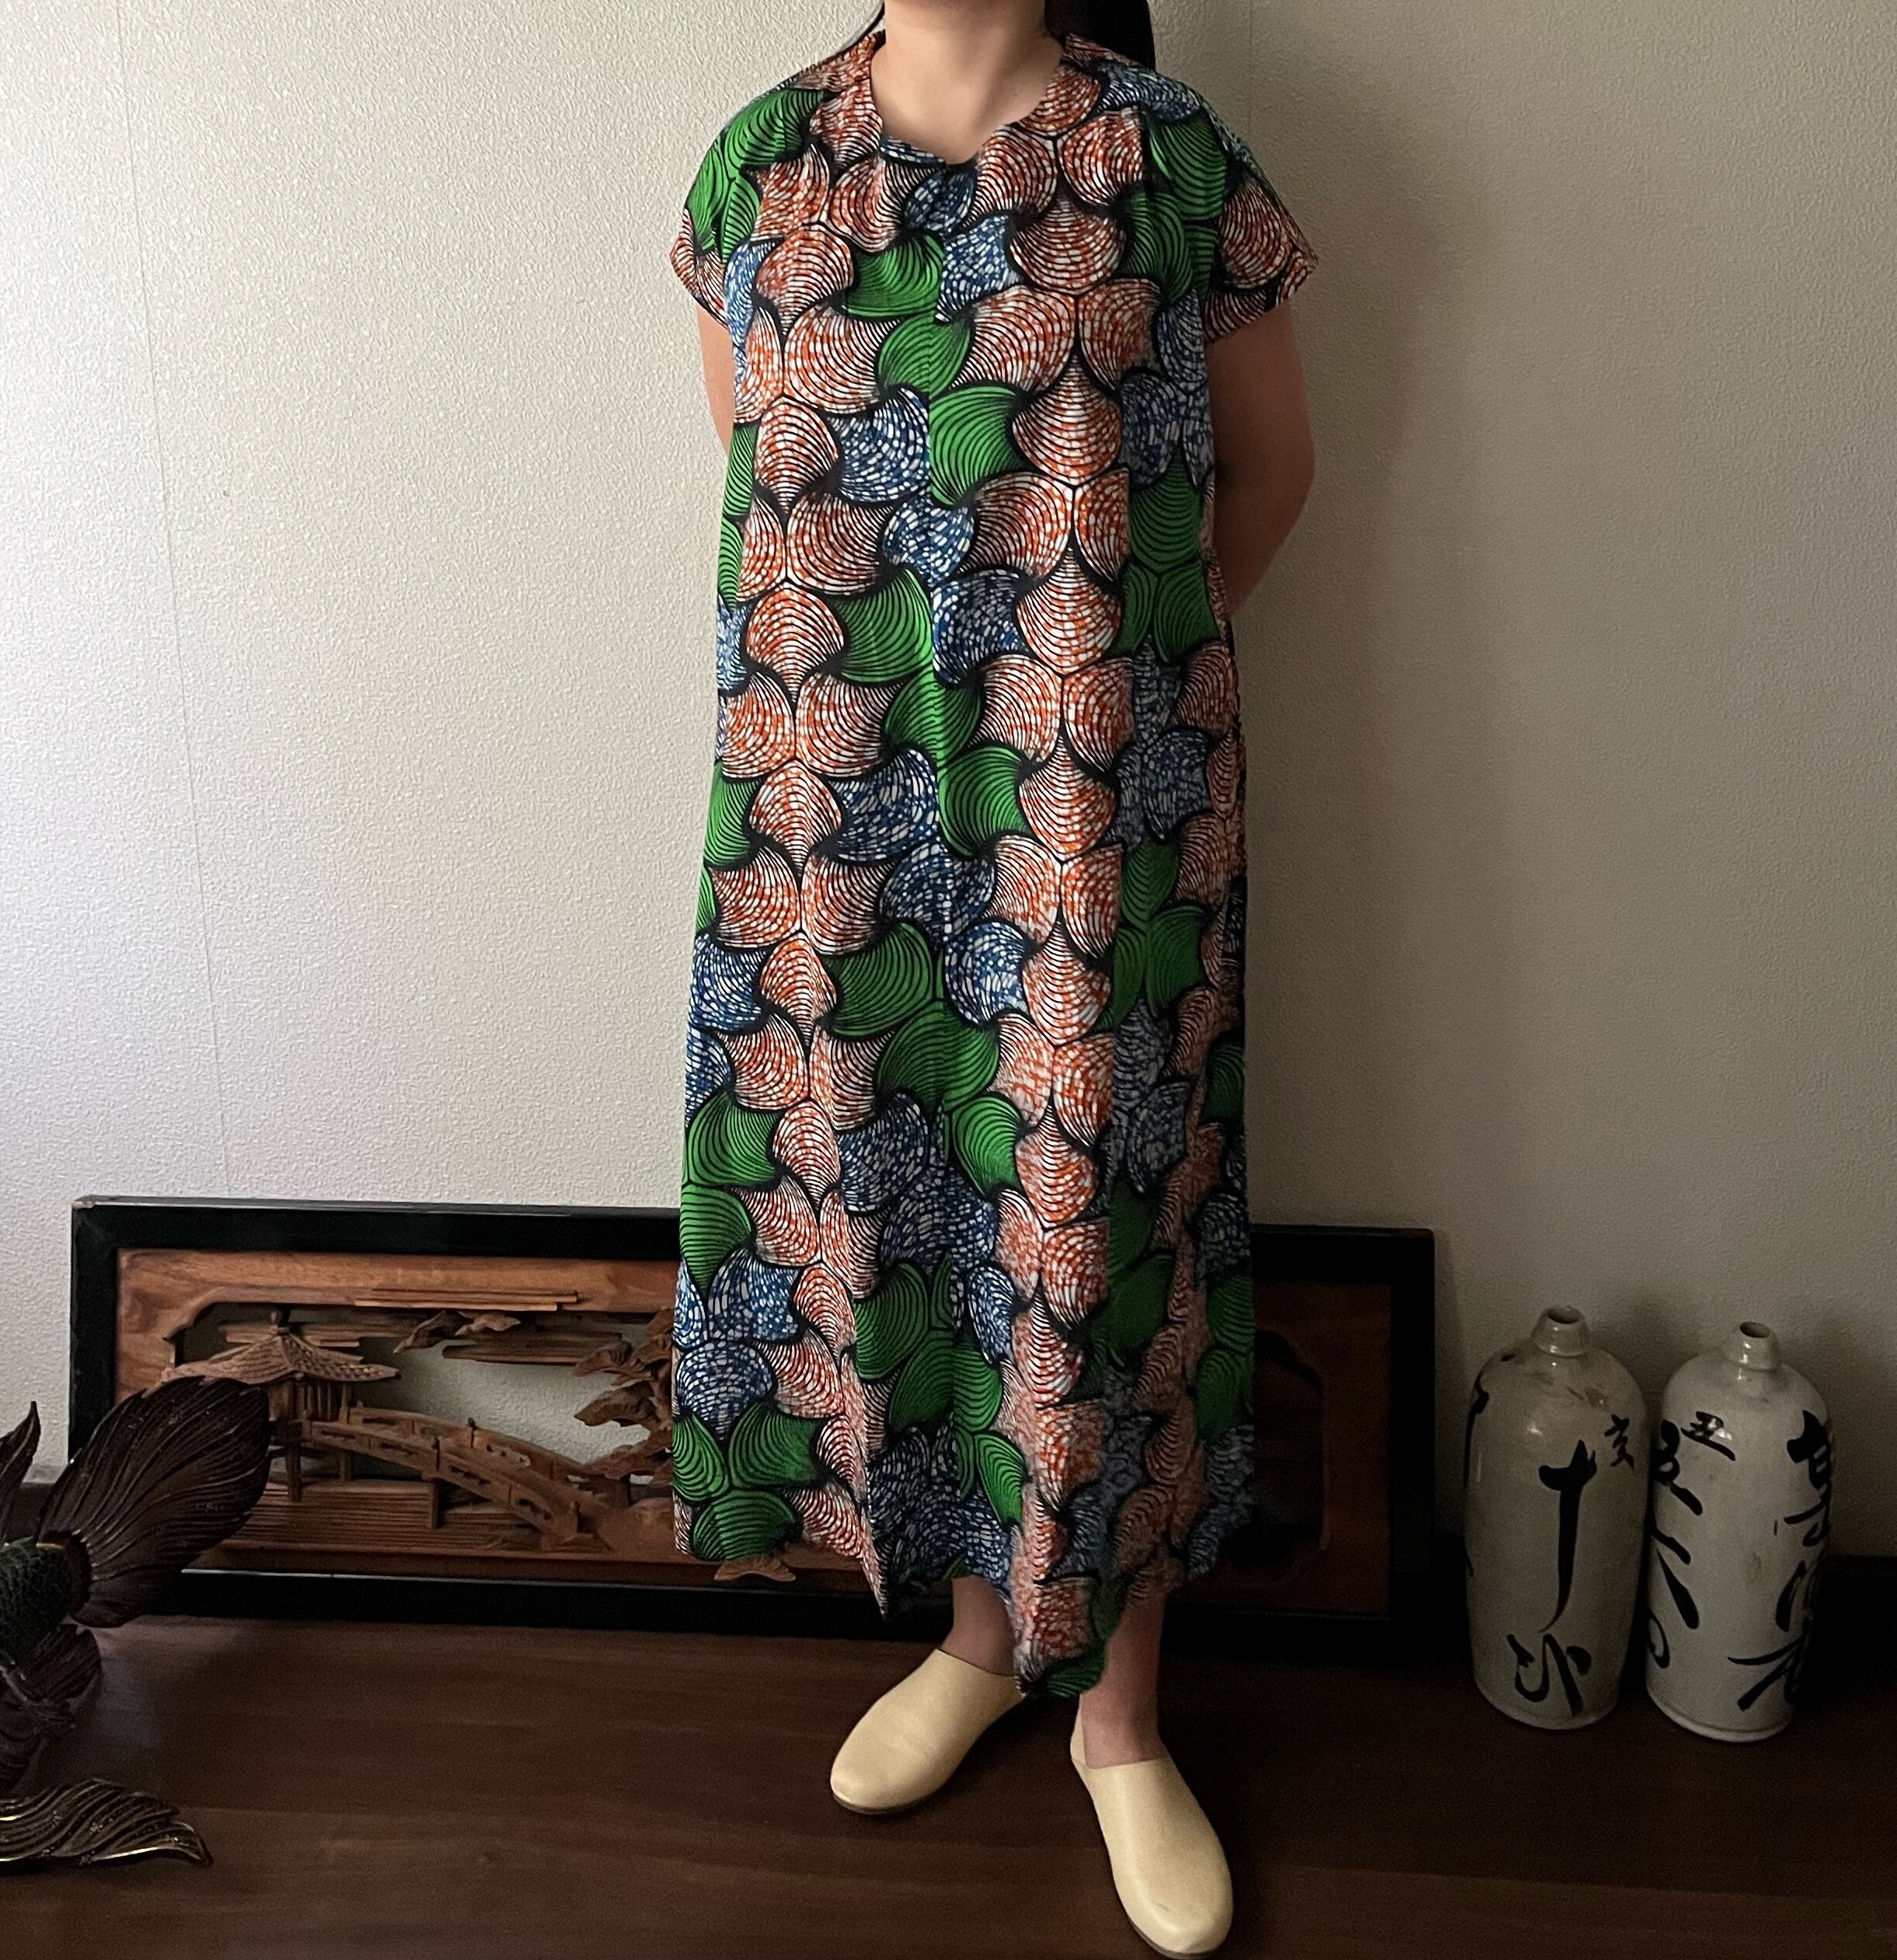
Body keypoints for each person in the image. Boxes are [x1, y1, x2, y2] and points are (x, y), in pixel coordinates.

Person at [667, 2, 1316, 1951]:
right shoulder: (755, 168)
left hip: (1094, 813)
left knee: (1098, 1222)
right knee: (908, 1200)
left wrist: (1103, 667)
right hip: (832, 823)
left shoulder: (1170, 160)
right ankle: (972, 1635)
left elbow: (1272, 472)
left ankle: (1117, 1713)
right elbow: (758, 472)